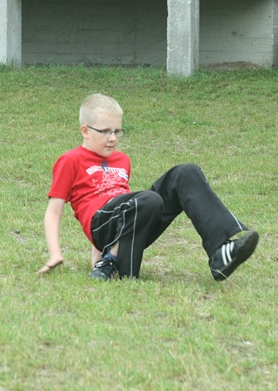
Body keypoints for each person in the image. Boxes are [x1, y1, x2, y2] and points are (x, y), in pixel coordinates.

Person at [38, 93, 259, 281]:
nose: (113, 138)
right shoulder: (70, 160)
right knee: (148, 199)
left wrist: (99, 253)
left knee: (186, 172)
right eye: (104, 131)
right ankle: (111, 258)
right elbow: (54, 212)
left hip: (133, 219)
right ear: (85, 131)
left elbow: (125, 203)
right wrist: (55, 254)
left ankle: (220, 252)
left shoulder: (122, 160)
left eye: (117, 131)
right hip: (102, 223)